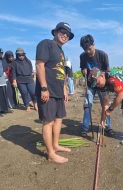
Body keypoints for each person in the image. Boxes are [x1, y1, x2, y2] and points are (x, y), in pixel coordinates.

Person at [35, 22, 74, 164]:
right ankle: (50, 153)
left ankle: (56, 145)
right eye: (63, 32)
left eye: (68, 34)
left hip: (58, 91)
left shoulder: (61, 51)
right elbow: (39, 65)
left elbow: (61, 71)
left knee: (59, 119)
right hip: (48, 90)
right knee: (48, 121)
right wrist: (44, 88)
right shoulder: (46, 44)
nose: (65, 35)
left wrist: (64, 88)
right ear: (55, 32)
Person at [79, 34, 114, 137]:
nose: (88, 52)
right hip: (90, 85)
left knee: (105, 106)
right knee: (87, 106)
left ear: (93, 44)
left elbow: (107, 72)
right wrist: (83, 71)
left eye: (89, 49)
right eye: (85, 50)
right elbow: (82, 69)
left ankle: (107, 127)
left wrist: (100, 77)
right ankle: (85, 128)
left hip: (102, 86)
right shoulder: (82, 56)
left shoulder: (102, 55)